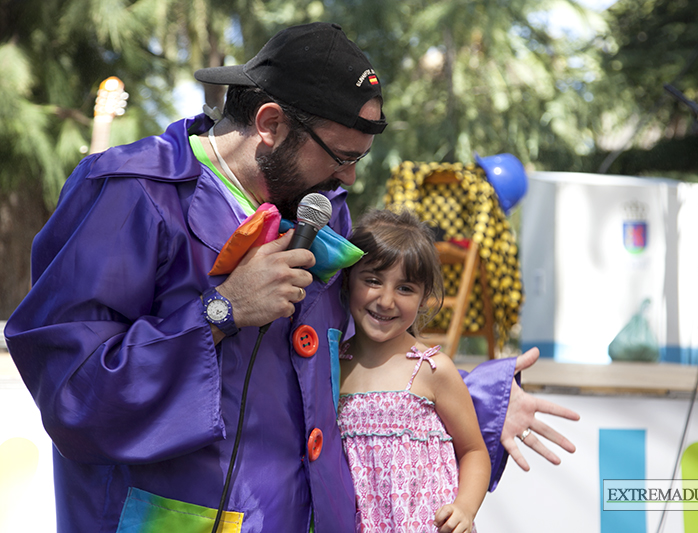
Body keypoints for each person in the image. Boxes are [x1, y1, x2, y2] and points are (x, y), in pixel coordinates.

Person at [3, 22, 578, 533]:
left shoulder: (318, 208)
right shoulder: (131, 192)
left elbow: (343, 369)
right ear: (271, 123)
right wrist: (220, 311)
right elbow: (74, 393)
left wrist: (471, 406)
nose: (350, 178)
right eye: (339, 154)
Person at [338, 209, 490, 533]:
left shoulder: (433, 369)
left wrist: (464, 508)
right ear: (348, 280)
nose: (386, 300)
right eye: (373, 281)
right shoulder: (332, 365)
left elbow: (475, 450)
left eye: (405, 288)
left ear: (424, 299)